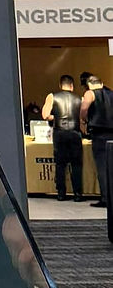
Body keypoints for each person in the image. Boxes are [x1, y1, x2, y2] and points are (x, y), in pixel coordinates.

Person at [43, 74, 83, 202]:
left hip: (60, 132)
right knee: (76, 164)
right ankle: (77, 193)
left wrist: (57, 117)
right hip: (75, 132)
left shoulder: (52, 96)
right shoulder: (79, 99)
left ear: (60, 85)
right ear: (72, 86)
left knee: (60, 164)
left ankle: (61, 193)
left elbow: (45, 115)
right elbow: (83, 119)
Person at [81, 74, 113, 207]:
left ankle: (106, 198)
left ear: (89, 85)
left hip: (99, 133)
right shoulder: (111, 93)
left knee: (102, 166)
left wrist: (83, 120)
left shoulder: (90, 93)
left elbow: (84, 108)